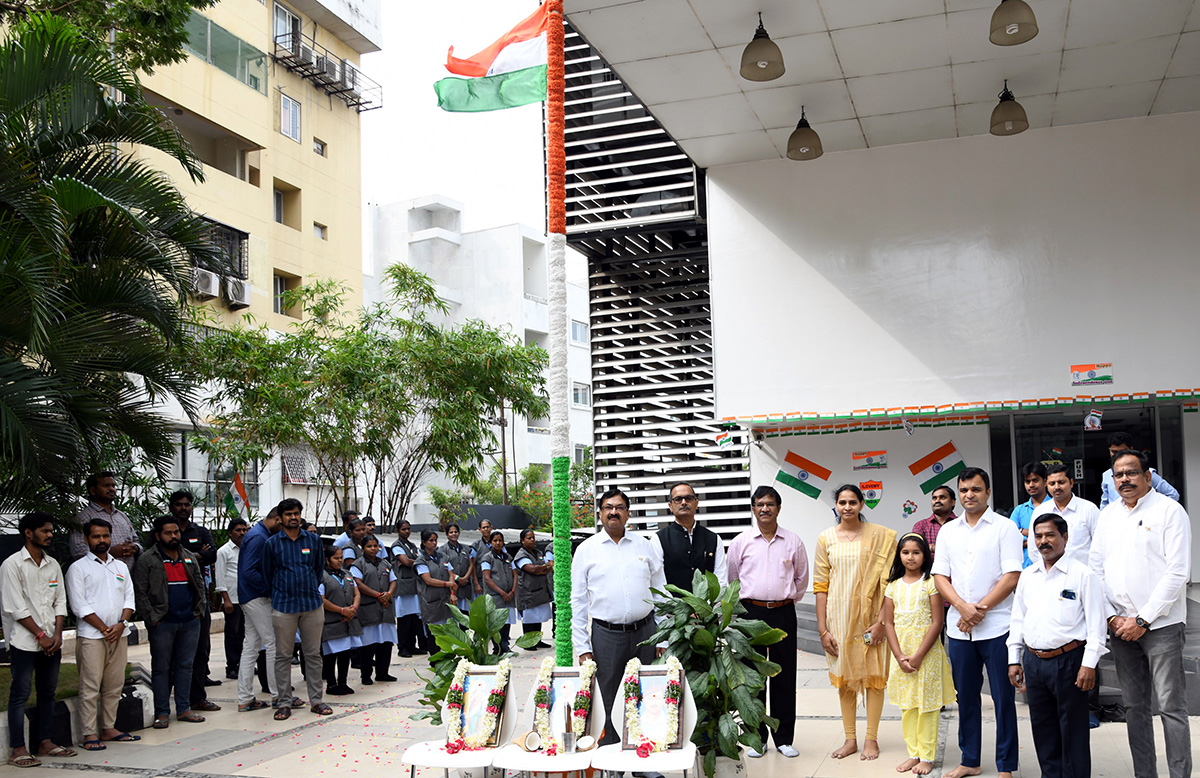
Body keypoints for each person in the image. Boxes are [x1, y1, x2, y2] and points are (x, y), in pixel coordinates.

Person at [1089, 448, 1191, 778]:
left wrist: (1143, 619)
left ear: (1148, 477)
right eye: (1118, 474)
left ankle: (1179, 774)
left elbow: (1178, 572)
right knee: (1135, 707)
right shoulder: (1108, 516)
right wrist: (1110, 617)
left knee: (1171, 707)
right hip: (1120, 627)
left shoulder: (1170, 511)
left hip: (1160, 626)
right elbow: (1096, 570)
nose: (1124, 480)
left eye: (1131, 473)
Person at [932, 467, 1023, 778]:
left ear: (987, 493)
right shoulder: (948, 531)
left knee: (1002, 699)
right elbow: (940, 576)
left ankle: (1006, 766)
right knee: (966, 699)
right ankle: (969, 759)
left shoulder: (1005, 528)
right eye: (965, 490)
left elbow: (1011, 576)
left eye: (976, 489)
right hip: (959, 630)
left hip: (998, 627)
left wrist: (979, 610)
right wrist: (961, 608)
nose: (969, 495)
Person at [1007, 513, 1106, 778]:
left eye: (1050, 535)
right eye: (1038, 536)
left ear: (1064, 537)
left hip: (1070, 662)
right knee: (1043, 729)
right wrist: (1014, 658)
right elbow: (1018, 618)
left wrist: (1089, 665)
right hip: (1034, 662)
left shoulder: (1083, 575)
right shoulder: (1028, 575)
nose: (1043, 542)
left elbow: (1098, 626)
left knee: (1073, 731)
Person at [572, 487, 666, 747]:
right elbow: (578, 602)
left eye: (619, 507)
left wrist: (664, 637)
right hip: (606, 637)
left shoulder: (644, 546)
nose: (614, 512)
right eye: (608, 507)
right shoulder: (586, 550)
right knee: (609, 699)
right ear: (600, 513)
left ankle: (645, 759)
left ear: (628, 513)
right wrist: (582, 647)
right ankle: (612, 762)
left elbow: (661, 593)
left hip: (645, 634)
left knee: (648, 696)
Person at [725, 485, 808, 759]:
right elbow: (733, 579)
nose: (765, 509)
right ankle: (757, 738)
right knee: (753, 676)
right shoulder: (741, 542)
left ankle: (784, 738)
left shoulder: (793, 541)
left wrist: (786, 601)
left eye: (770, 504)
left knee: (784, 675)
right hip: (751, 614)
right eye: (759, 504)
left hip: (783, 613)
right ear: (753, 508)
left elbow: (801, 578)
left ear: (778, 508)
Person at [814, 484, 896, 761]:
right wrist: (823, 629)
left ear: (862, 504)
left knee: (875, 679)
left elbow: (889, 584)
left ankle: (871, 739)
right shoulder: (826, 538)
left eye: (852, 502)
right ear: (835, 506)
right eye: (842, 502)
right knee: (845, 681)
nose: (847, 507)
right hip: (839, 620)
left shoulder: (881, 537)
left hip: (872, 619)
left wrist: (883, 622)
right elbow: (821, 586)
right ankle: (850, 739)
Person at [2, 512, 74, 767]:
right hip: (24, 641)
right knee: (19, 694)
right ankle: (18, 749)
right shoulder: (12, 564)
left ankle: (45, 742)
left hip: (50, 641)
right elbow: (16, 607)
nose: (50, 534)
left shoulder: (53, 564)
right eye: (45, 530)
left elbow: (60, 602)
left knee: (48, 692)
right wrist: (40, 636)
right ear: (28, 533)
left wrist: (56, 635)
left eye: (51, 530)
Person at [881, 533, 955, 776]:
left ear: (925, 555)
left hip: (927, 654)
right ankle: (913, 753)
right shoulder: (892, 586)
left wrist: (919, 655)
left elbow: (937, 622)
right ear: (899, 555)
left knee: (927, 705)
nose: (910, 557)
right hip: (901, 654)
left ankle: (927, 755)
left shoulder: (931, 583)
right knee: (908, 705)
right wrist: (899, 655)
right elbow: (888, 624)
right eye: (905, 552)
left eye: (916, 552)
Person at [67, 518, 138, 751]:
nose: (102, 540)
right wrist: (103, 628)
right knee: (89, 686)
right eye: (96, 536)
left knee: (114, 684)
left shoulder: (120, 566)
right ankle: (89, 733)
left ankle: (108, 728)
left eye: (106, 536)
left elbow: (129, 598)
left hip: (119, 634)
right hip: (92, 636)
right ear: (87, 539)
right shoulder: (78, 568)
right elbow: (79, 605)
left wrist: (121, 624)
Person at [132, 515, 208, 729]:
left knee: (185, 666)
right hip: (163, 623)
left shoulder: (188, 556)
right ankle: (162, 712)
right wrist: (153, 618)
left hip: (189, 621)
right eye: (168, 533)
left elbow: (200, 585)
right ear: (158, 535)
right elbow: (141, 592)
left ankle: (183, 709)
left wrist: (198, 611)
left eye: (176, 532)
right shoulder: (148, 559)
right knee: (161, 668)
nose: (174, 536)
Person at [261, 498, 328, 720]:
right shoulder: (272, 544)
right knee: (283, 655)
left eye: (297, 513)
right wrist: (281, 591)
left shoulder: (313, 540)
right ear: (280, 518)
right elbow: (267, 574)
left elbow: (318, 569)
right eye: (289, 514)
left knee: (313, 654)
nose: (294, 517)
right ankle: (284, 702)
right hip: (283, 606)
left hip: (311, 605)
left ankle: (316, 701)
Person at [163, 490, 221, 711]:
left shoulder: (201, 531)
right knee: (169, 655)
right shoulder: (163, 530)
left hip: (199, 600)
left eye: (187, 505)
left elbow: (212, 555)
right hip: (171, 601)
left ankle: (197, 697)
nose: (183, 508)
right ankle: (164, 702)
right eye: (179, 504)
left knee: (200, 650)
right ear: (172, 506)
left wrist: (188, 556)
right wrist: (197, 554)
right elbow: (163, 556)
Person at [237, 509, 284, 712]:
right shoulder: (258, 537)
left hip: (250, 595)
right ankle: (278, 695)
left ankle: (245, 697)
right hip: (256, 596)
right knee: (272, 641)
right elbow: (249, 572)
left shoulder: (259, 534)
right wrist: (270, 588)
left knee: (251, 646)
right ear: (276, 519)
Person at [653, 481, 727, 591]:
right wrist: (674, 607)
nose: (683, 502)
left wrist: (706, 607)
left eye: (688, 498)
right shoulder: (659, 539)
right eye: (678, 499)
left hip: (708, 607)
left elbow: (721, 581)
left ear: (696, 503)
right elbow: (657, 583)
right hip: (672, 606)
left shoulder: (713, 539)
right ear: (670, 506)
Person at [69, 471, 141, 572]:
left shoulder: (122, 516)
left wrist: (134, 548)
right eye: (106, 486)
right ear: (93, 490)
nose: (112, 489)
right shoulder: (84, 518)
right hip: (98, 577)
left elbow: (136, 541)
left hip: (127, 577)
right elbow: (78, 552)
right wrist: (109, 552)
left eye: (113, 485)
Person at [1030, 463, 1099, 564]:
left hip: (1081, 576)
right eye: (1052, 484)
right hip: (1050, 575)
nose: (1057, 487)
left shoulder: (1089, 509)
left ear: (1071, 483)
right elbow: (1033, 549)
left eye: (1061, 482)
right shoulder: (1040, 511)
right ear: (1046, 485)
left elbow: (1099, 546)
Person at [351, 535, 397, 684]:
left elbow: (393, 580)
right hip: (369, 610)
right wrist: (378, 595)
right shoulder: (358, 565)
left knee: (386, 643)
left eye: (375, 546)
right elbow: (358, 583)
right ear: (363, 548)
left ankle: (383, 673)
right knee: (368, 645)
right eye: (369, 546)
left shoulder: (385, 563)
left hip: (385, 609)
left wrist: (388, 594)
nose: (373, 549)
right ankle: (366, 675)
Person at [1098, 432, 1180, 509]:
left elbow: (1172, 495)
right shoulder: (1106, 475)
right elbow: (1105, 504)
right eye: (1114, 452)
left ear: (1131, 449)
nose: (1119, 455)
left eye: (1132, 473)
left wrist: (1153, 511)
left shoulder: (1146, 472)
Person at [319, 546, 361, 696]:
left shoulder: (347, 574)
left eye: (341, 557)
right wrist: (342, 610)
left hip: (348, 621)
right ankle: (331, 684)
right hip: (331, 622)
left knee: (345, 654)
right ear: (327, 560)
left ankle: (343, 682)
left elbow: (356, 593)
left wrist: (353, 609)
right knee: (330, 655)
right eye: (336, 558)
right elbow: (321, 599)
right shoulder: (322, 576)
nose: (340, 561)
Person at [216, 518, 249, 680]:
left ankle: (245, 664)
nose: (242, 533)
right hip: (232, 600)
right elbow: (220, 577)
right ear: (230, 533)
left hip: (247, 598)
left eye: (244, 530)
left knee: (246, 633)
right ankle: (232, 666)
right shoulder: (224, 551)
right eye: (238, 530)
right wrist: (226, 599)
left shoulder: (248, 548)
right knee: (232, 634)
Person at [514, 528, 553, 649]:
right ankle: (528, 643)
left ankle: (537, 640)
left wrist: (540, 569)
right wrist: (542, 568)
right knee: (529, 618)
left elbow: (549, 567)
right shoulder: (521, 555)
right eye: (529, 538)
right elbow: (531, 569)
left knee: (538, 617)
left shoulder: (537, 552)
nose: (532, 540)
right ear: (522, 540)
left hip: (540, 591)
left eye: (533, 538)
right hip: (528, 592)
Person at [479, 530, 517, 652]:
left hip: (509, 596)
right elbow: (487, 578)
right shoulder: (487, 558)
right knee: (497, 624)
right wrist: (502, 593)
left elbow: (515, 575)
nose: (498, 543)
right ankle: (498, 648)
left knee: (507, 622)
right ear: (490, 543)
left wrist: (512, 591)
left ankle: (505, 646)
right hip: (496, 596)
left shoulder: (508, 557)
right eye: (495, 540)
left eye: (500, 540)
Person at [391, 520, 424, 656]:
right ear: (398, 530)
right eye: (404, 529)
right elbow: (405, 561)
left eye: (408, 529)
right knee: (404, 619)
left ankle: (412, 646)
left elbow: (417, 560)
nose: (407, 531)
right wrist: (415, 562)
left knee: (414, 619)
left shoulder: (412, 545)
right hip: (403, 588)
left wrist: (413, 562)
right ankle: (402, 647)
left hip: (413, 586)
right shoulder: (396, 546)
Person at [1009, 462, 1050, 568]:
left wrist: (1024, 532)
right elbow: (1010, 539)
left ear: (1045, 482)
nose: (1031, 485)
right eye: (1028, 481)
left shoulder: (1055, 508)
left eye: (1035, 480)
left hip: (1052, 568)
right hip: (1025, 570)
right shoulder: (1019, 511)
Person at [415, 530, 456, 629]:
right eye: (431, 540)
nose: (434, 543)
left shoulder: (443, 557)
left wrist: (453, 593)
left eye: (435, 540)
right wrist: (448, 584)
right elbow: (428, 580)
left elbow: (451, 574)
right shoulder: (421, 560)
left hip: (446, 599)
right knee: (435, 635)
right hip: (432, 601)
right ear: (424, 542)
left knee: (450, 632)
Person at [910, 485, 956, 560]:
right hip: (928, 570)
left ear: (952, 502)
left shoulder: (962, 524)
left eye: (942, 497)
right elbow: (915, 549)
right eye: (934, 498)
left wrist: (930, 548)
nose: (937, 501)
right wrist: (934, 548)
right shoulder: (921, 526)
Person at [441, 523, 475, 611]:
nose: (454, 534)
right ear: (447, 535)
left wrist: (465, 578)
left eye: (456, 532)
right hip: (453, 586)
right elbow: (444, 568)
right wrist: (458, 578)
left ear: (459, 533)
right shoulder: (442, 549)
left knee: (466, 614)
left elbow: (471, 564)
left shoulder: (466, 548)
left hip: (466, 585)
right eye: (451, 532)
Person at [470, 519, 495, 598]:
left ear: (491, 528)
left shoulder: (497, 542)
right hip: (481, 581)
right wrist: (476, 583)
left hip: (496, 580)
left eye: (487, 527)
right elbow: (472, 565)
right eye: (483, 527)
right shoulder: (476, 545)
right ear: (479, 529)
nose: (486, 529)